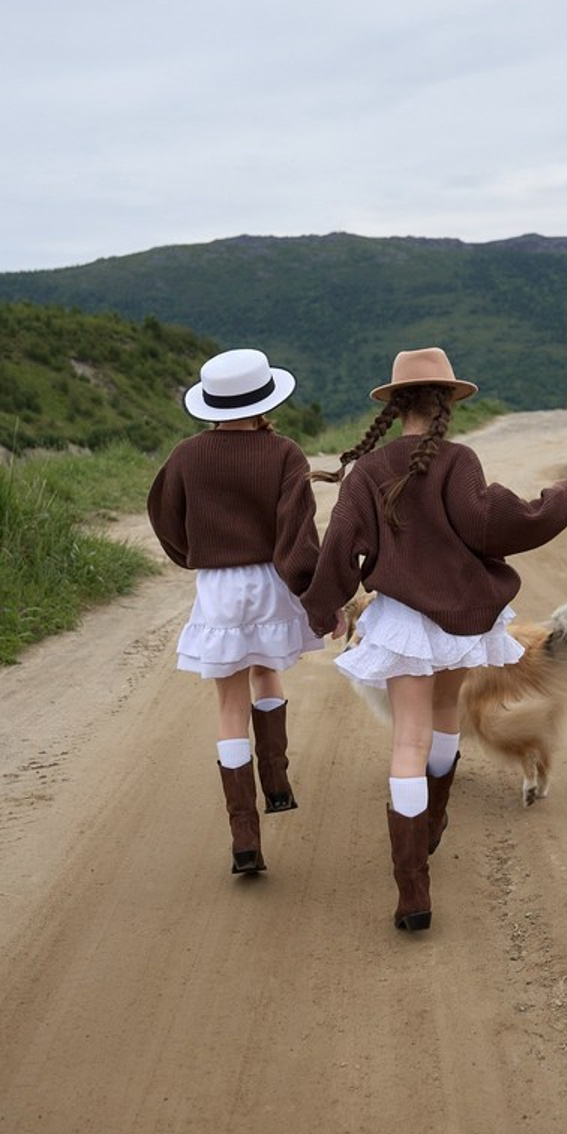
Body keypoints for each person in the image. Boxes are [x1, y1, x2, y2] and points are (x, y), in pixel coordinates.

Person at [302, 347, 567, 931]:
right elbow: (498, 523)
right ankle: (434, 821)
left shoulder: (367, 472)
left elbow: (341, 545)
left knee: (407, 743)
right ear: (447, 404)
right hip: (458, 621)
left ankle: (413, 892)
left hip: (401, 621)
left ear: (395, 407)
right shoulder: (460, 461)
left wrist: (325, 611)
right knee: (445, 722)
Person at [147, 348, 322, 875]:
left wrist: (193, 557)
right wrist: (312, 589)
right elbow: (298, 532)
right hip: (270, 579)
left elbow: (163, 517)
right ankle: (277, 782)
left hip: (218, 586)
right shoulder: (286, 453)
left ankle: (245, 838)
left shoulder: (185, 455)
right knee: (267, 670)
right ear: (266, 397)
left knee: (229, 704)